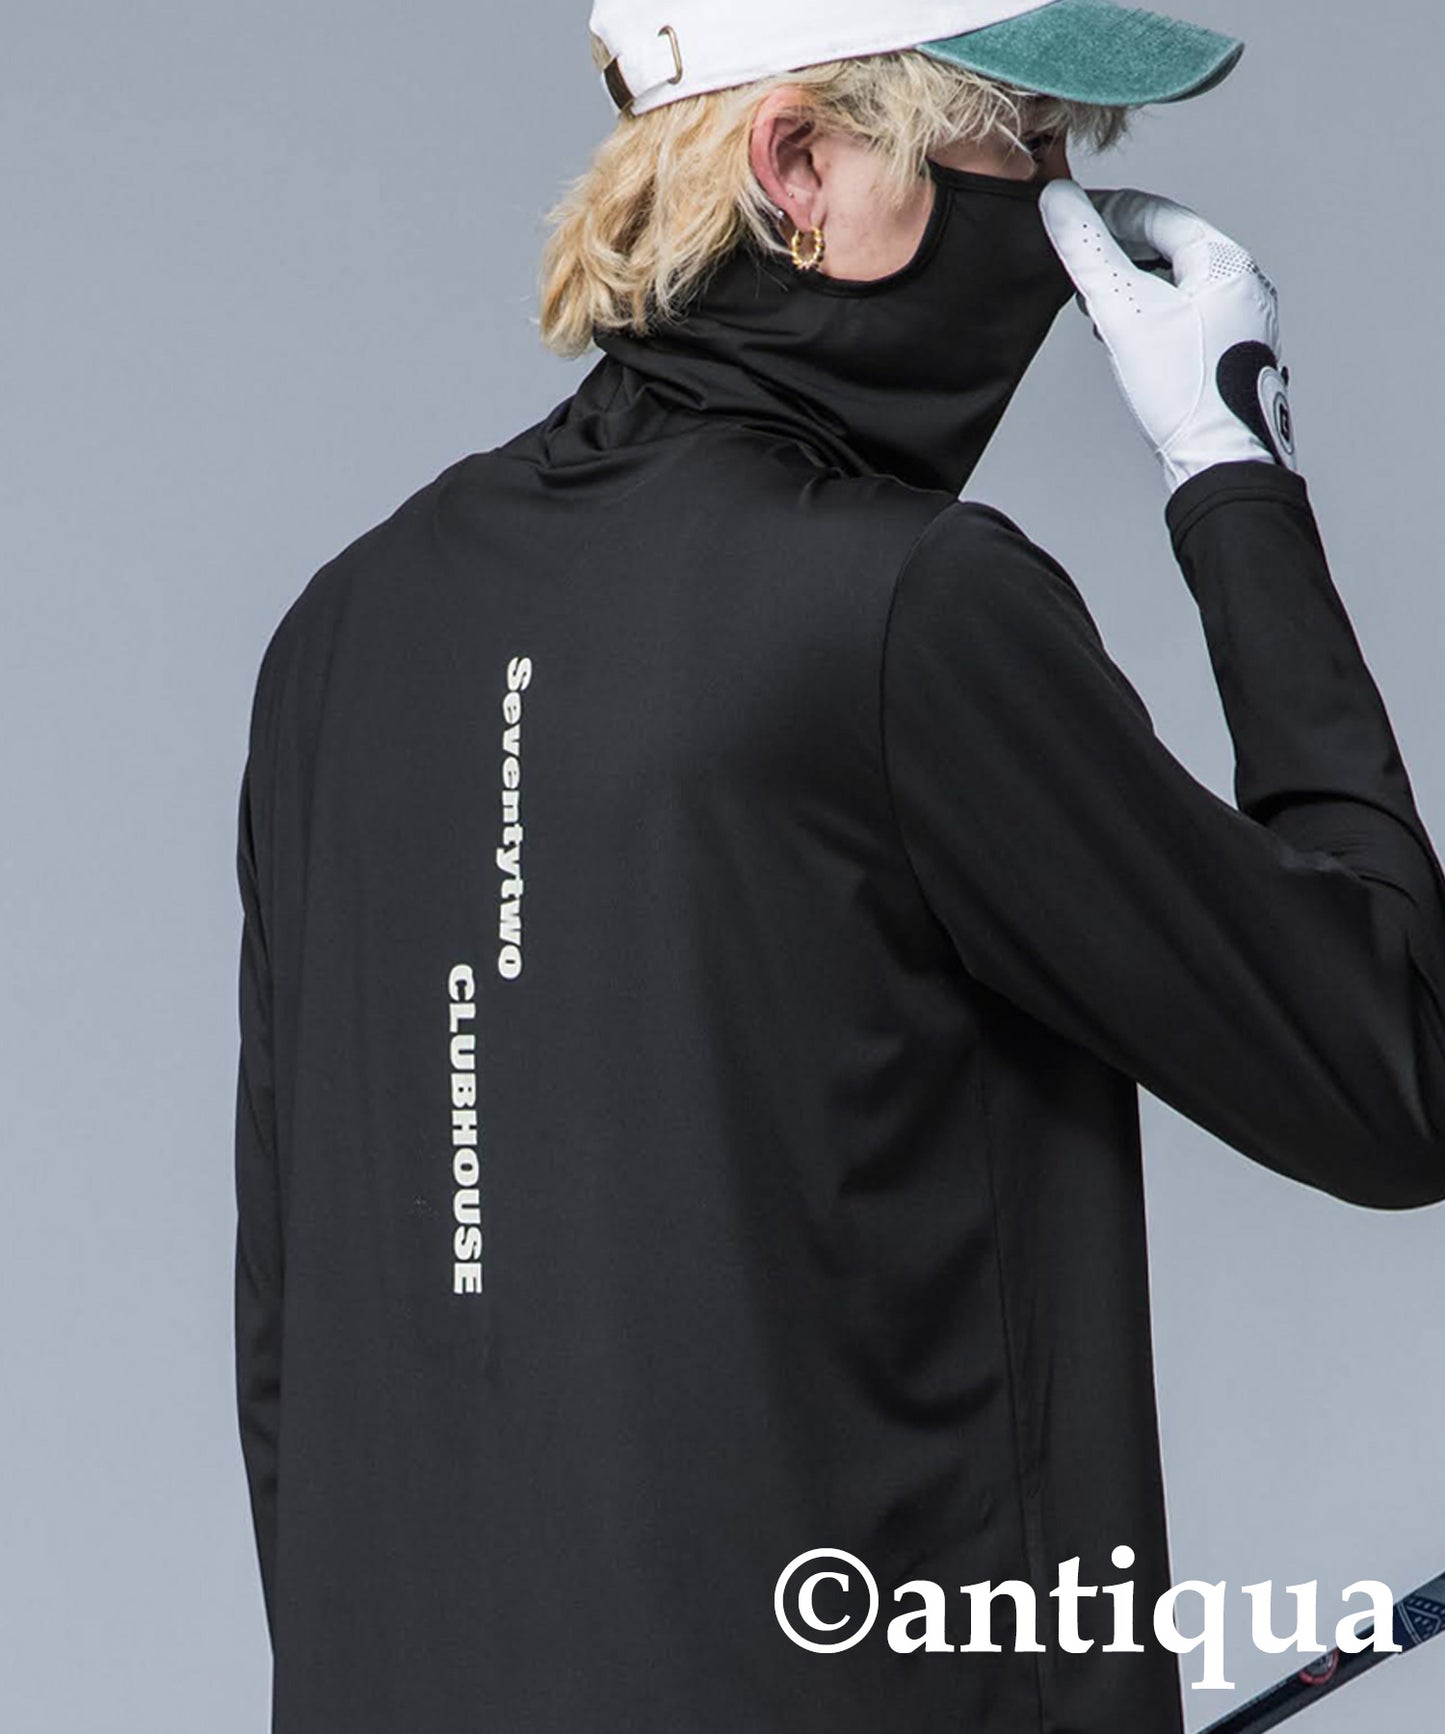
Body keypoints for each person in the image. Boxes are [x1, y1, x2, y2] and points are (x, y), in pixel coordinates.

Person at [231, 2, 1445, 1729]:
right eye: (1024, 148)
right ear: (797, 164)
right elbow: (1391, 1068)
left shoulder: (342, 636)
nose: (1062, 226)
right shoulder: (898, 610)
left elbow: (287, 1361)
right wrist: (1233, 475)